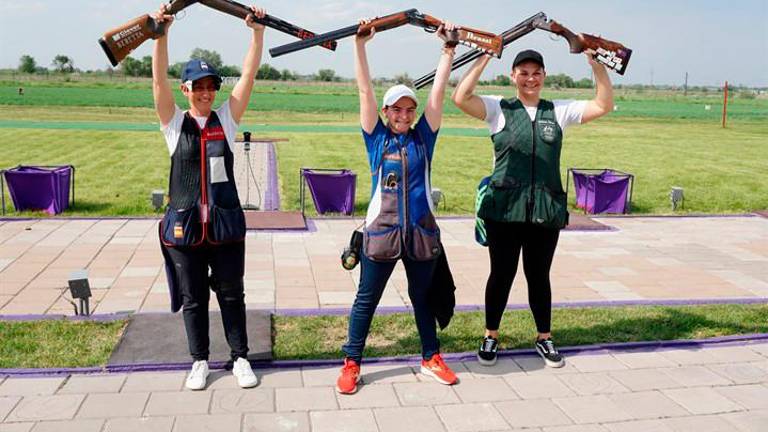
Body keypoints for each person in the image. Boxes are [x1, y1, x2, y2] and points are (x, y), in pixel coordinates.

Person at [452, 49, 614, 367]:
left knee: (539, 275)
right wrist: (484, 58)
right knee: (501, 274)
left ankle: (544, 337)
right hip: (505, 209)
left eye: (536, 72)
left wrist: (598, 69)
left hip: (545, 209)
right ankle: (491, 335)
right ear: (513, 75)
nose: (530, 78)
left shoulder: (559, 111)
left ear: (544, 76)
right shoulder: (498, 109)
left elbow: (603, 105)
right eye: (523, 72)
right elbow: (460, 97)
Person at [335, 20, 460, 395]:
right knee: (366, 301)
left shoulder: (424, 137)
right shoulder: (376, 139)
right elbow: (364, 92)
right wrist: (360, 46)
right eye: (397, 110)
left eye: (409, 110)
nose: (404, 116)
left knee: (422, 298)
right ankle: (352, 363)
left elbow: (437, 95)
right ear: (387, 112)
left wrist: (448, 51)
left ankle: (430, 358)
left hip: (420, 235)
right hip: (381, 236)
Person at [151, 3, 266, 390]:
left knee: (232, 295)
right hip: (184, 230)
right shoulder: (174, 125)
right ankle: (199, 360)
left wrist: (257, 33)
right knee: (194, 298)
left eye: (210, 86)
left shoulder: (227, 120)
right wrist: (160, 35)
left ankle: (240, 358)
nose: (204, 92)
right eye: (197, 86)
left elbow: (248, 76)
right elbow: (157, 85)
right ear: (186, 89)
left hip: (224, 228)